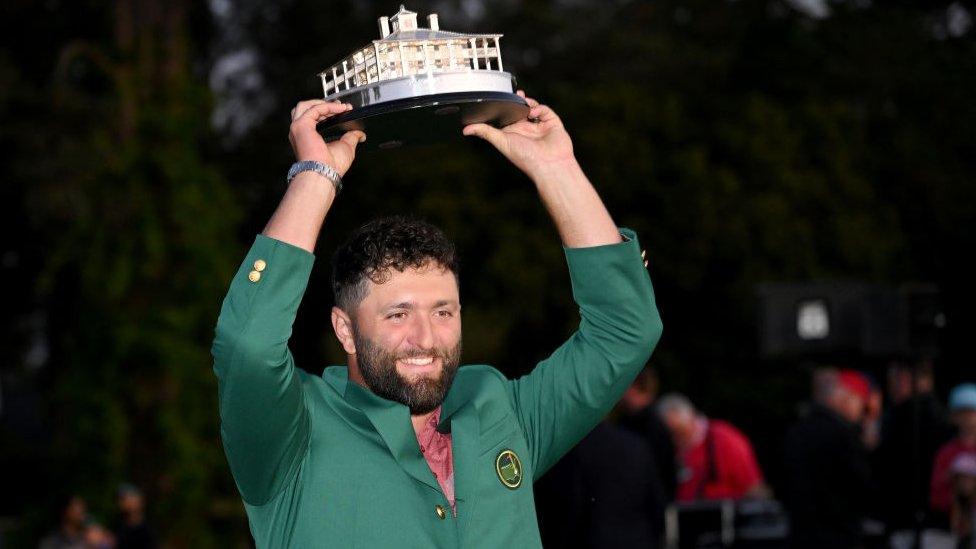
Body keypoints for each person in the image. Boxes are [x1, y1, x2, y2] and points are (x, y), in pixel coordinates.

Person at [211, 93, 663, 548]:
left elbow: (625, 329)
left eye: (442, 312)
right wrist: (314, 177)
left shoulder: (503, 413)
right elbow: (247, 346)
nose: (425, 338)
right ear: (344, 329)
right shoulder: (293, 435)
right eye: (398, 314)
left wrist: (557, 170)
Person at [783, 368, 873, 549]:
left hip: (801, 535)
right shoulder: (844, 435)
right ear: (843, 398)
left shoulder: (795, 432)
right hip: (839, 535)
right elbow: (862, 485)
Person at [875, 361, 954, 538]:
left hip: (920, 515)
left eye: (898, 378)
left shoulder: (921, 417)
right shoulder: (897, 414)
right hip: (910, 515)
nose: (892, 385)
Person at [657, 393, 769, 502]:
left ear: (692, 418)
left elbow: (754, 488)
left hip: (724, 515)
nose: (676, 438)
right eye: (671, 433)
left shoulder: (724, 439)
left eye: (680, 431)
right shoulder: (667, 448)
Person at [931, 384, 976, 521]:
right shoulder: (946, 452)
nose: (967, 417)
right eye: (962, 412)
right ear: (953, 416)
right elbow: (935, 497)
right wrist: (953, 480)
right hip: (949, 524)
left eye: (972, 412)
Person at [113, 484, 157, 549]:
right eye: (123, 499)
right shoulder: (119, 527)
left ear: (140, 500)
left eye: (131, 498)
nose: (128, 502)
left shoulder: (149, 528)